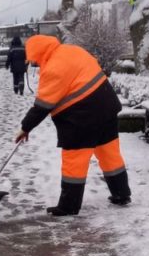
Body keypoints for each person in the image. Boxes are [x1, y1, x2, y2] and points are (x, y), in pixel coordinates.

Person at [15, 34, 131, 217]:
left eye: (34, 59)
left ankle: (69, 206)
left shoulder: (53, 68)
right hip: (107, 107)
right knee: (110, 154)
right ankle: (121, 194)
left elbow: (43, 105)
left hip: (81, 118)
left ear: (38, 53)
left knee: (74, 162)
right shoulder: (73, 50)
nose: (34, 63)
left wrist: (25, 128)